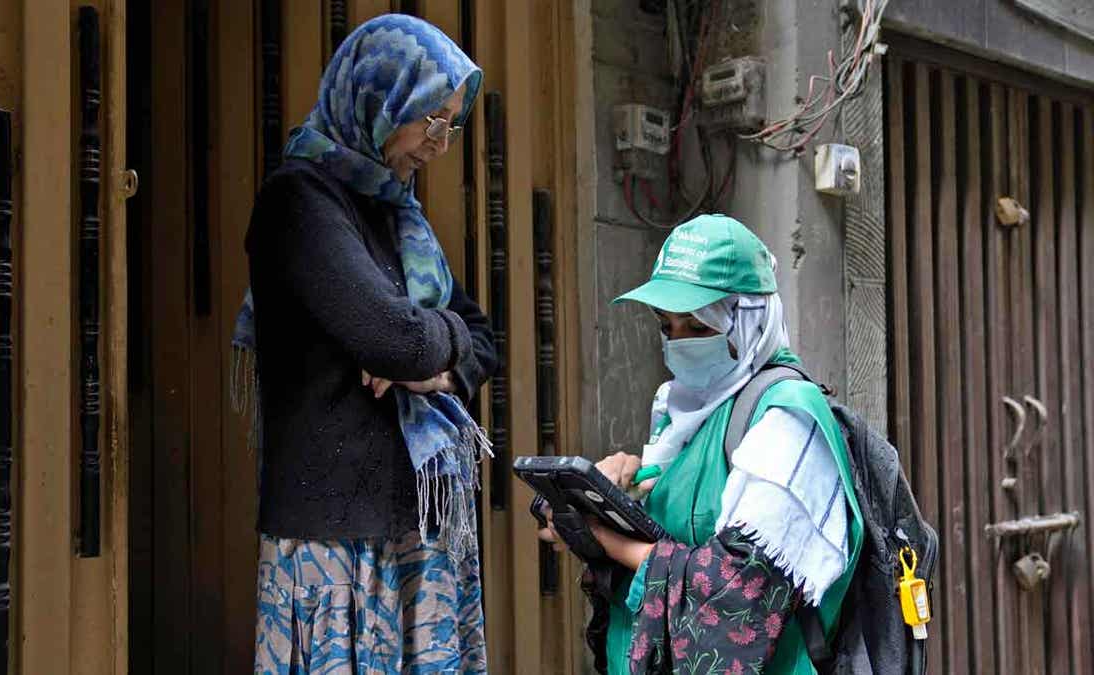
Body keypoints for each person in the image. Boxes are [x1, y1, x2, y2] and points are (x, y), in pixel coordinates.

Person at [232, 15, 495, 674]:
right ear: (378, 101)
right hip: (334, 541)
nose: (440, 143)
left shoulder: (398, 213)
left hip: (412, 534)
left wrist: (438, 367)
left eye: (451, 123)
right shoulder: (299, 201)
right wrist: (429, 353)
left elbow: (481, 338)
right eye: (429, 119)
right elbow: (393, 337)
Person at [540, 215, 863, 674]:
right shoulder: (681, 413)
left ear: (751, 320)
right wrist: (611, 499)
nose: (679, 344)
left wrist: (607, 541)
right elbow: (676, 533)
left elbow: (737, 593)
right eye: (667, 327)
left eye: (697, 326)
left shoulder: (788, 417)